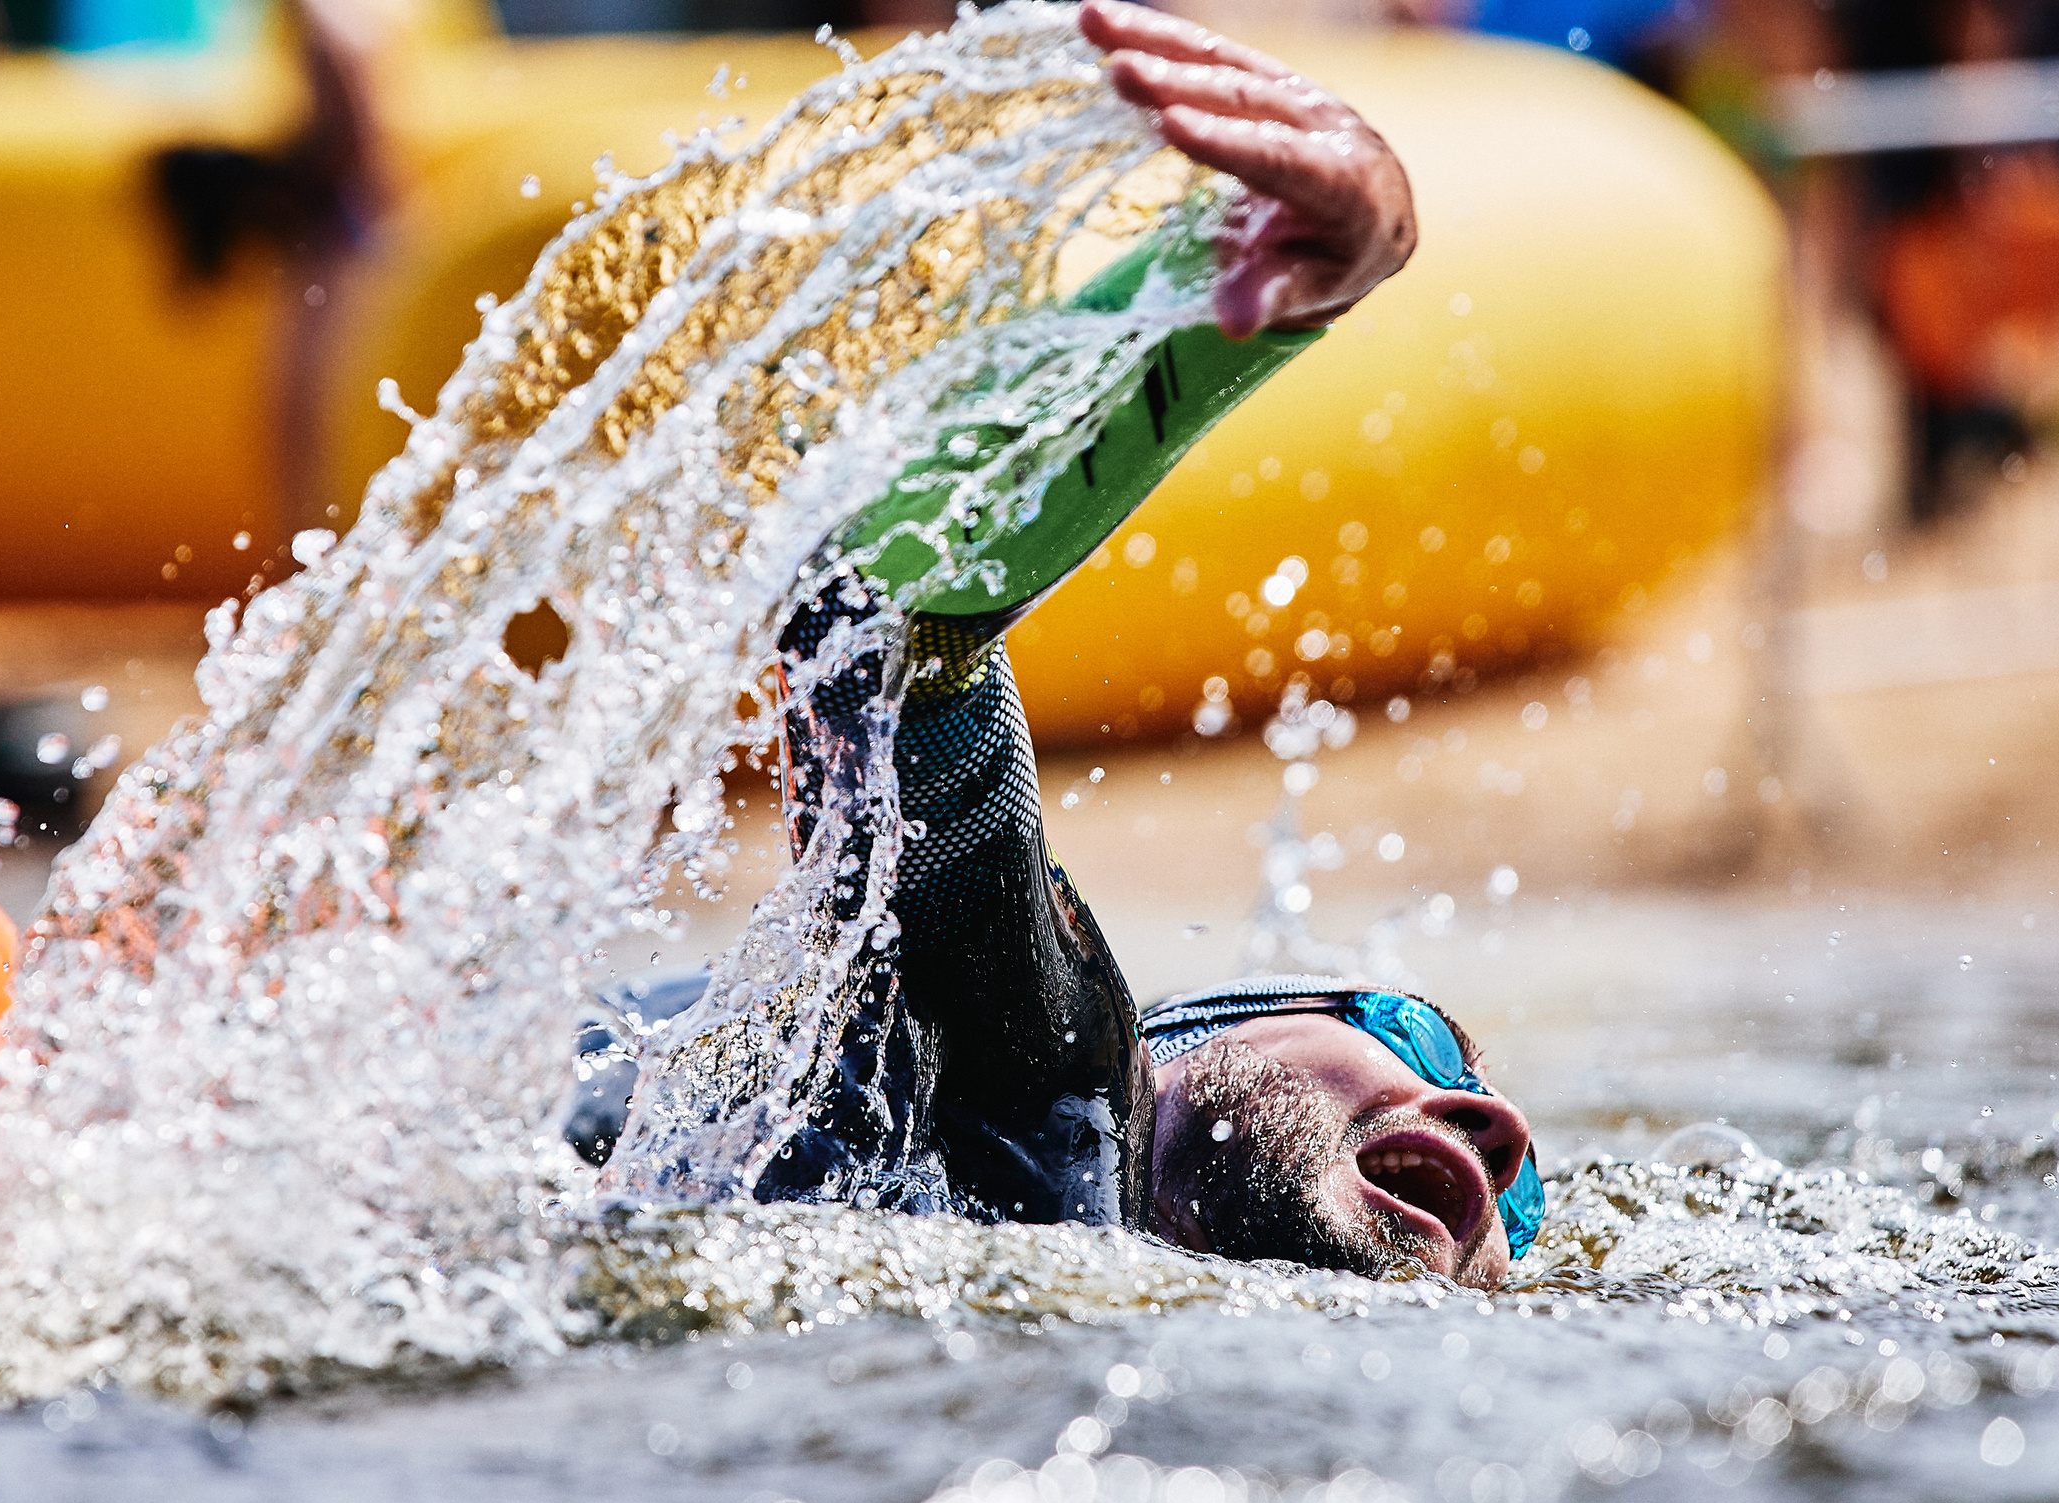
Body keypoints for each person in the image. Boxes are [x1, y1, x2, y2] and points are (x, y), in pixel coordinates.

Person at [571, 1, 1537, 1291]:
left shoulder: (1053, 1162)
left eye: (1514, 1227)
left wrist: (1219, 316)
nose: (1489, 1127)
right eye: (1407, 1032)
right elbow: (887, 626)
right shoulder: (1033, 1111)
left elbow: (885, 626)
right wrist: (1208, 305)